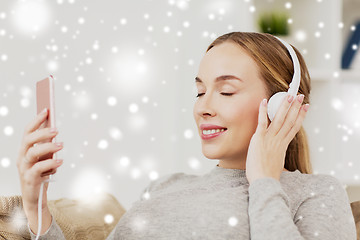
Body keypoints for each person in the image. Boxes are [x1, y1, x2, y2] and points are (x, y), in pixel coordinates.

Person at [17, 32, 356, 239]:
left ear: (282, 105)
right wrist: (36, 205)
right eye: (199, 92)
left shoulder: (316, 192)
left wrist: (264, 181)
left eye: (226, 92)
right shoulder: (163, 188)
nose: (203, 108)